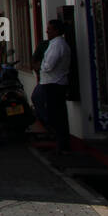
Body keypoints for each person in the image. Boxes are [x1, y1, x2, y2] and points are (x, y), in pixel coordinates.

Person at [39, 19, 72, 153]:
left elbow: (48, 66)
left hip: (55, 83)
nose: (47, 31)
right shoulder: (55, 44)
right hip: (53, 82)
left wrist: (41, 66)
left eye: (50, 29)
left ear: (57, 31)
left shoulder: (58, 44)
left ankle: (61, 144)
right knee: (55, 114)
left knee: (57, 115)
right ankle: (59, 141)